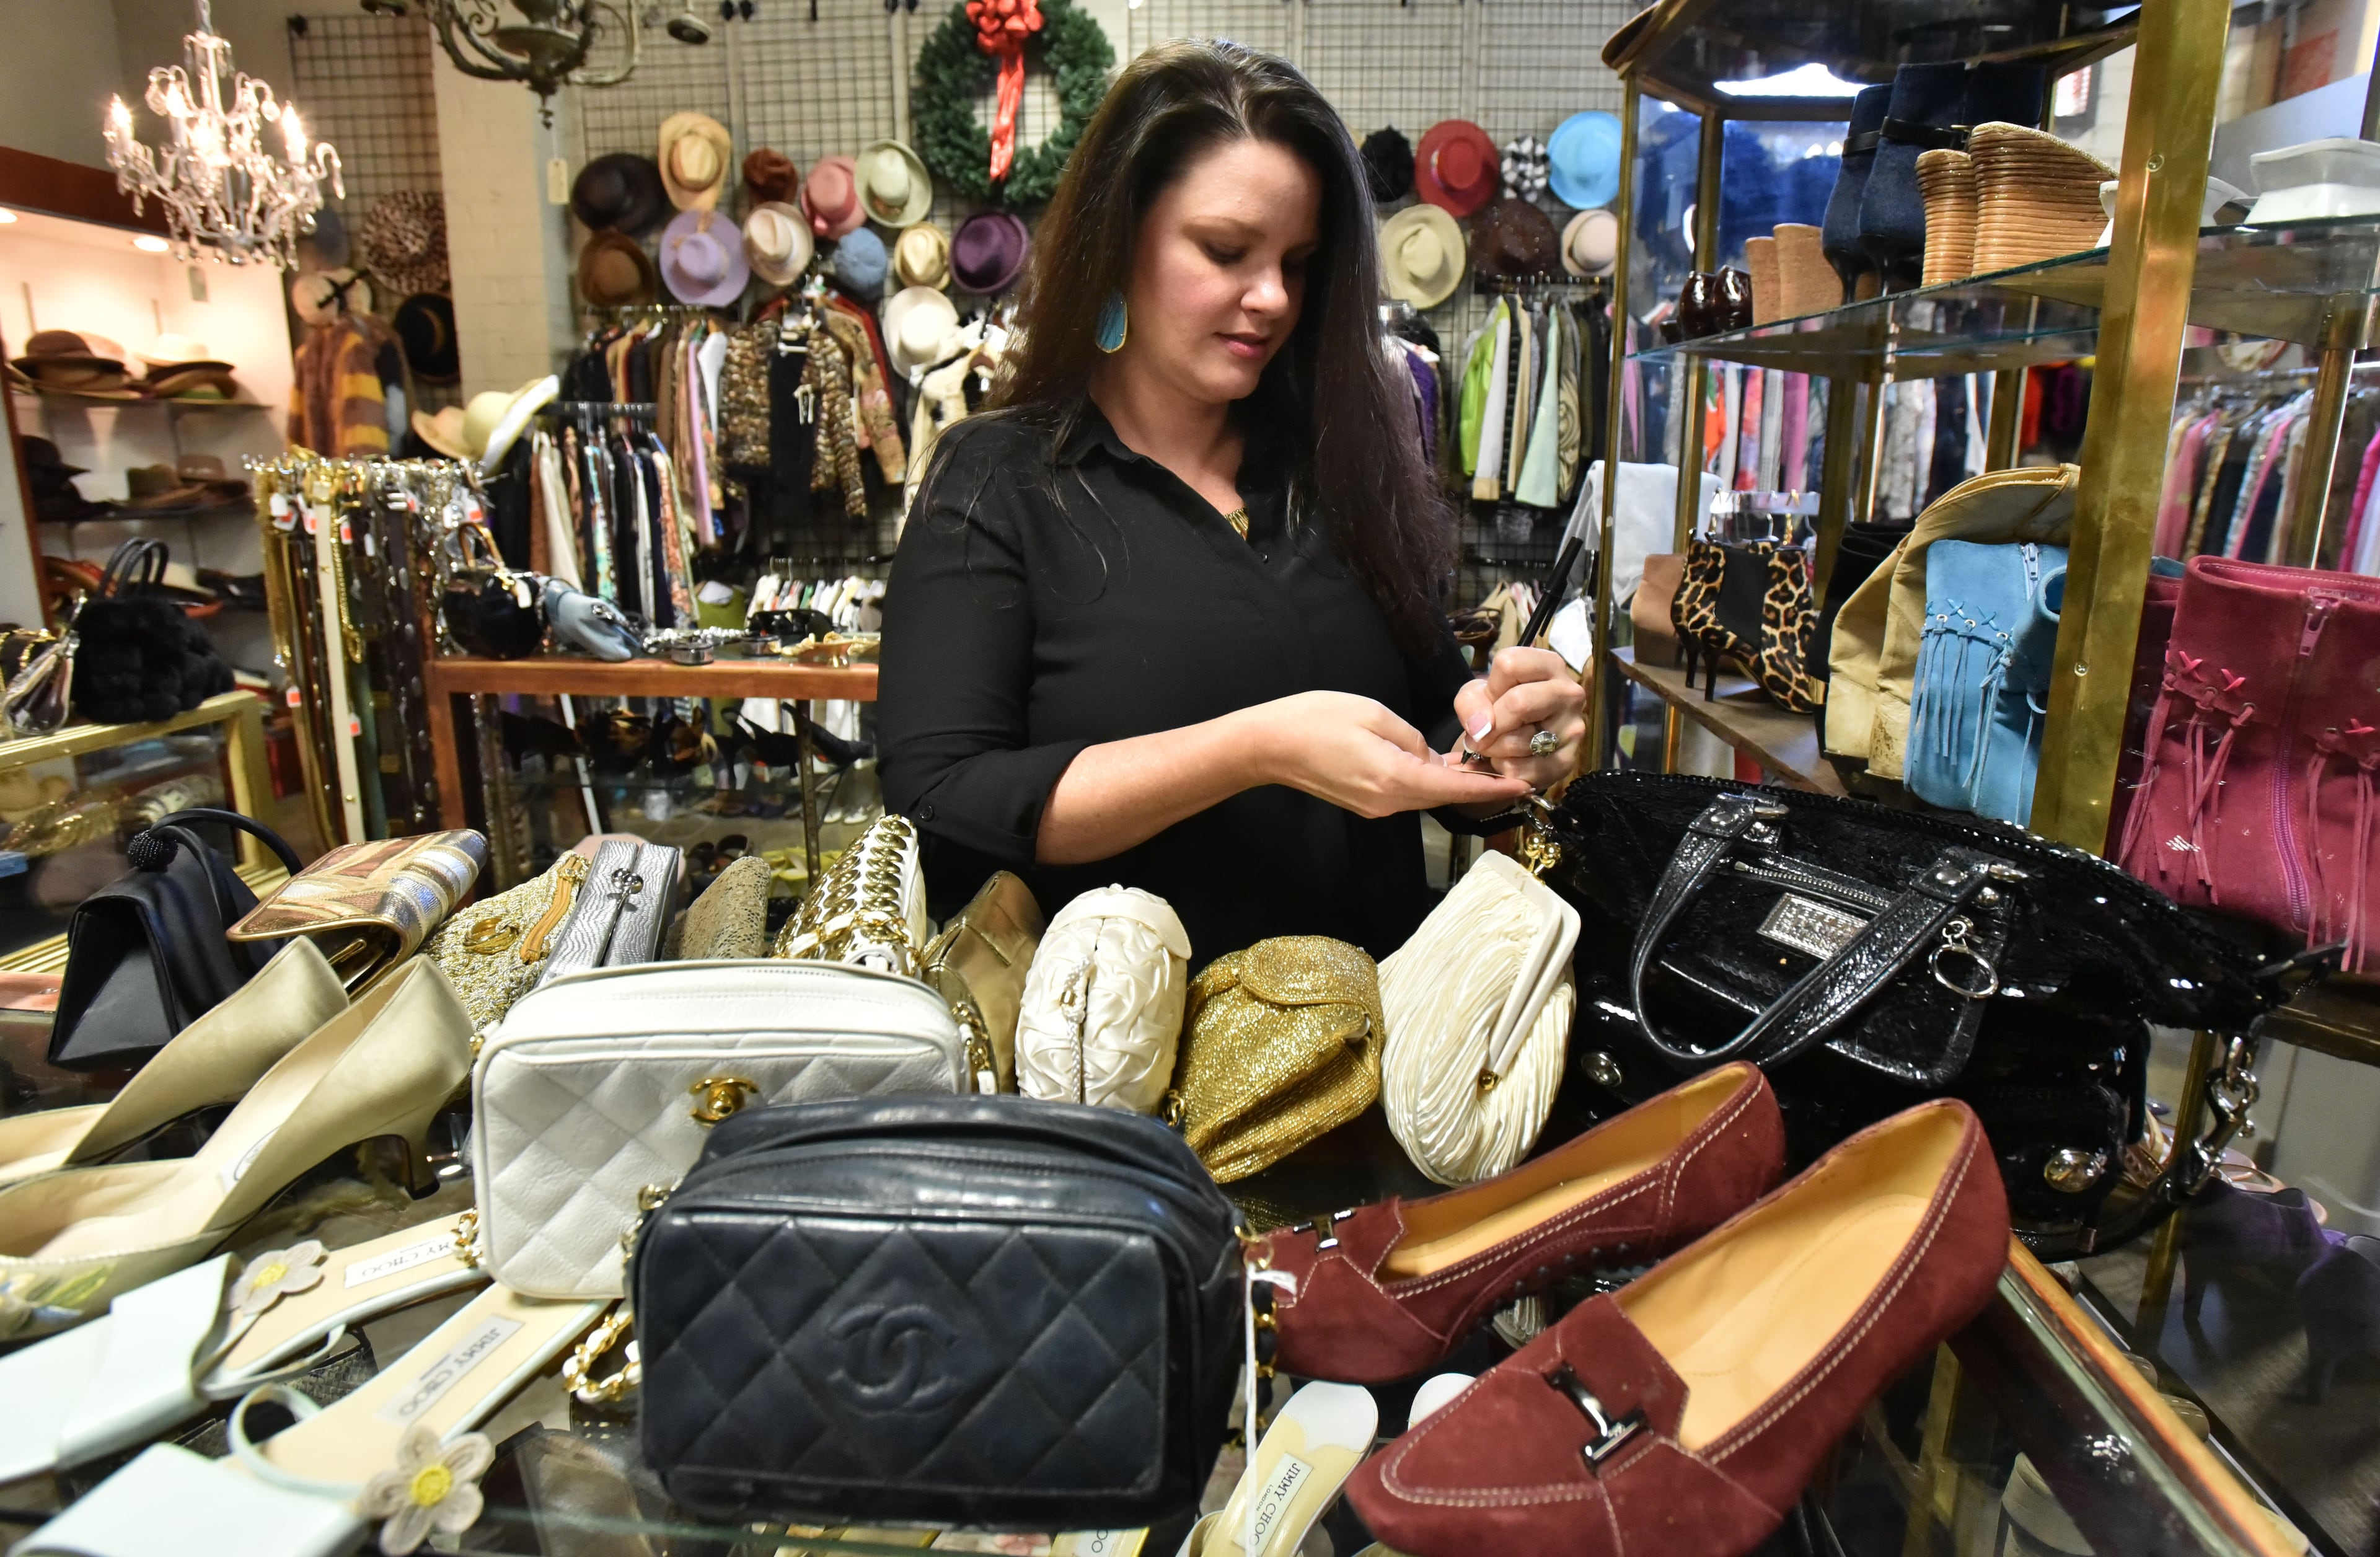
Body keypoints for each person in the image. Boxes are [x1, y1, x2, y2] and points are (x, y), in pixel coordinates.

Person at [879, 39, 1586, 967]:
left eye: (1299, 262)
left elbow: (1432, 712)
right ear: (1118, 241)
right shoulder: (1000, 480)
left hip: (1380, 1051)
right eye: (1225, 251)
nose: (1273, 298)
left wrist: (1506, 731)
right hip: (1133, 1077)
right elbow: (942, 801)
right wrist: (1249, 750)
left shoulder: (1336, 466)